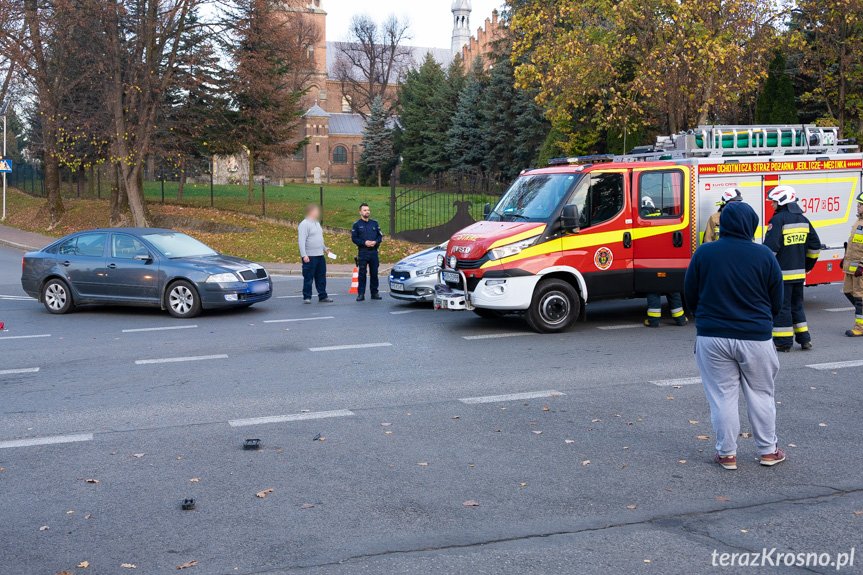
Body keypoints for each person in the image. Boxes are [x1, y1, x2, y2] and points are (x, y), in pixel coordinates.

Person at [684, 201, 786, 470]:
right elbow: (777, 300)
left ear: (723, 224)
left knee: (722, 396)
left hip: (712, 337)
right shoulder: (764, 256)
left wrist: (704, 319)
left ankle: (727, 454)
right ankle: (768, 451)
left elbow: (690, 293)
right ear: (752, 224)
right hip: (756, 337)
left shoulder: (704, 253)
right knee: (761, 394)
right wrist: (763, 321)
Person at [763, 186, 821, 351]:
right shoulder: (803, 219)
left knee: (782, 307)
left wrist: (763, 270)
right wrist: (807, 266)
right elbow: (815, 246)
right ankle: (805, 339)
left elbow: (770, 250)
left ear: (782, 201)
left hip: (781, 275)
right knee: (797, 305)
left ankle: (782, 342)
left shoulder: (777, 220)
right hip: (799, 275)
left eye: (773, 201)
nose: (772, 205)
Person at [297, 204, 334, 304]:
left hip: (320, 255)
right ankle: (307, 296)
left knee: (321, 277)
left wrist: (325, 248)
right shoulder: (304, 224)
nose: (318, 213)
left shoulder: (317, 223)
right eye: (317, 211)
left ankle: (322, 295)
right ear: (311, 212)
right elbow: (301, 240)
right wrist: (304, 255)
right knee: (308, 277)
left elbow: (319, 239)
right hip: (310, 256)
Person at [351, 203, 383, 301]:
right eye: (364, 210)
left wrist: (375, 242)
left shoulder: (374, 223)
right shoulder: (356, 225)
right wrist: (364, 243)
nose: (367, 212)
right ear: (360, 212)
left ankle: (374, 293)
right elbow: (354, 238)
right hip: (363, 252)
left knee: (374, 273)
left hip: (373, 252)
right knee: (362, 274)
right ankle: (361, 293)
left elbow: (380, 236)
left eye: (368, 210)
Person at [841, 192, 863, 337]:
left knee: (860, 297)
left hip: (860, 269)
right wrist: (845, 260)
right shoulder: (858, 222)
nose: (858, 206)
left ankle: (859, 328)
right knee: (848, 292)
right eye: (858, 204)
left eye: (861, 204)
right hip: (851, 268)